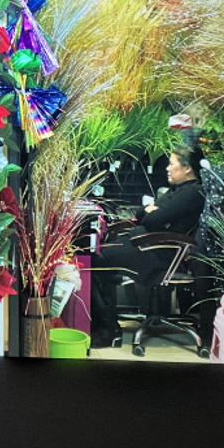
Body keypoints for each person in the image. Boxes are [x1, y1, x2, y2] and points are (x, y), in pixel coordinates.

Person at [89, 145, 206, 348]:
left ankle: (107, 329)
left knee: (96, 259)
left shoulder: (193, 193)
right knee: (97, 254)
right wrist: (150, 211)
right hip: (149, 245)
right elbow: (142, 214)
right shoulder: (176, 191)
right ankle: (106, 324)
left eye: (171, 164)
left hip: (160, 254)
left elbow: (153, 220)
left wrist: (152, 212)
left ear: (187, 168)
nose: (167, 168)